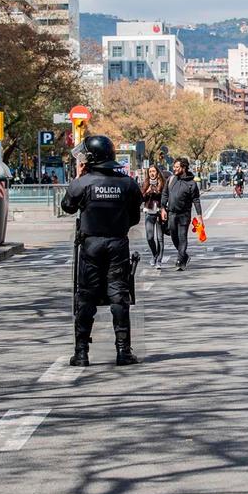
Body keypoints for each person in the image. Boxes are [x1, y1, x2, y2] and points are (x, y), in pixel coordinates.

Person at [61, 135, 143, 366]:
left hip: (91, 244)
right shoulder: (127, 183)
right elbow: (135, 216)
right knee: (119, 296)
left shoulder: (83, 183)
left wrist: (78, 178)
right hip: (117, 243)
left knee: (86, 296)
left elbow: (67, 206)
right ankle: (123, 351)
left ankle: (81, 353)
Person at [161, 157, 203, 271]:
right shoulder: (170, 179)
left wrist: (199, 216)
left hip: (184, 214)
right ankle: (184, 255)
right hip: (171, 213)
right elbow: (165, 194)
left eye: (177, 167)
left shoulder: (191, 183)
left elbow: (196, 200)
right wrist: (163, 208)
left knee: (182, 237)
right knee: (174, 236)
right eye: (174, 167)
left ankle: (180, 260)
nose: (174, 169)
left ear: (183, 168)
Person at [142, 164, 166, 269]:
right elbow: (141, 197)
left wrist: (164, 209)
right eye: (150, 171)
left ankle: (159, 260)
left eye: (154, 171)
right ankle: (155, 254)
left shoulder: (162, 183)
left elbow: (165, 197)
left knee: (160, 238)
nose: (152, 173)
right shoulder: (146, 183)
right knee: (150, 237)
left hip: (159, 212)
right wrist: (146, 193)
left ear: (157, 172)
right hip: (149, 212)